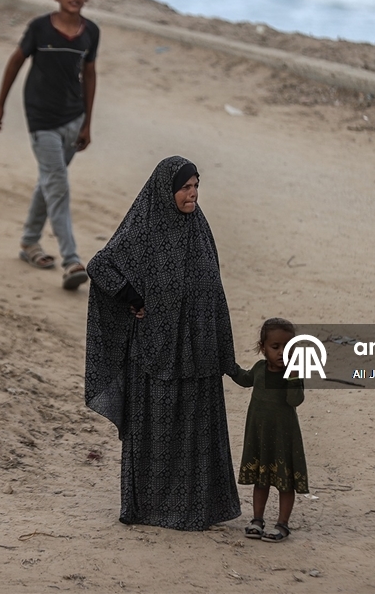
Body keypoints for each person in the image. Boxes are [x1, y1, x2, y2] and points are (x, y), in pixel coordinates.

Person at [84, 156, 244, 531]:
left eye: (196, 186)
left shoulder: (199, 228)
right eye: (185, 188)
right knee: (157, 430)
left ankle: (196, 509)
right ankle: (151, 508)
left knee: (194, 431)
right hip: (155, 353)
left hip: (198, 352)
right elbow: (100, 265)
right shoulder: (144, 228)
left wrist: (221, 348)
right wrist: (132, 298)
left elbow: (214, 290)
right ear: (166, 191)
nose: (193, 194)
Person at [0, 0, 99, 290]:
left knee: (50, 182)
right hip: (41, 120)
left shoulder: (90, 32)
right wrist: (0, 105)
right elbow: (15, 61)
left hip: (73, 119)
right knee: (58, 185)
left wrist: (88, 122)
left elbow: (90, 74)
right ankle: (72, 261)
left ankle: (28, 242)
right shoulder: (39, 28)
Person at [234, 318, 308, 543]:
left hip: (284, 438)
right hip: (260, 435)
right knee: (261, 480)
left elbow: (295, 400)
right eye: (275, 347)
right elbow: (244, 379)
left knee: (285, 482)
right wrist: (227, 366)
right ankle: (257, 520)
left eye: (288, 347)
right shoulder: (258, 370)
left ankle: (282, 525)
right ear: (262, 347)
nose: (282, 352)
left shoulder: (292, 373)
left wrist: (294, 375)